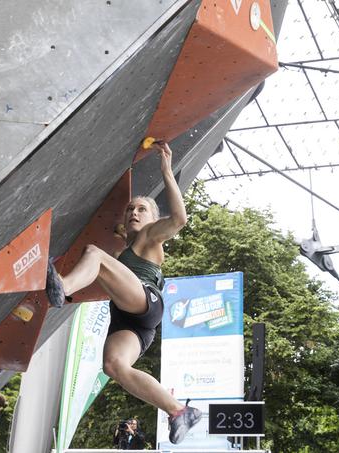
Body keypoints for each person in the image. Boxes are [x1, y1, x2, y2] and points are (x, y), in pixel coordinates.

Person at [45, 141, 201, 444]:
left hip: (145, 301)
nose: (134, 212)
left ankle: (62, 287)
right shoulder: (128, 245)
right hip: (133, 324)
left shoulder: (150, 234)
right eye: (130, 208)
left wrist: (167, 170)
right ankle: (179, 411)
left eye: (142, 209)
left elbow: (179, 220)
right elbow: (119, 244)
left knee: (95, 254)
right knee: (114, 366)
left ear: (153, 219)